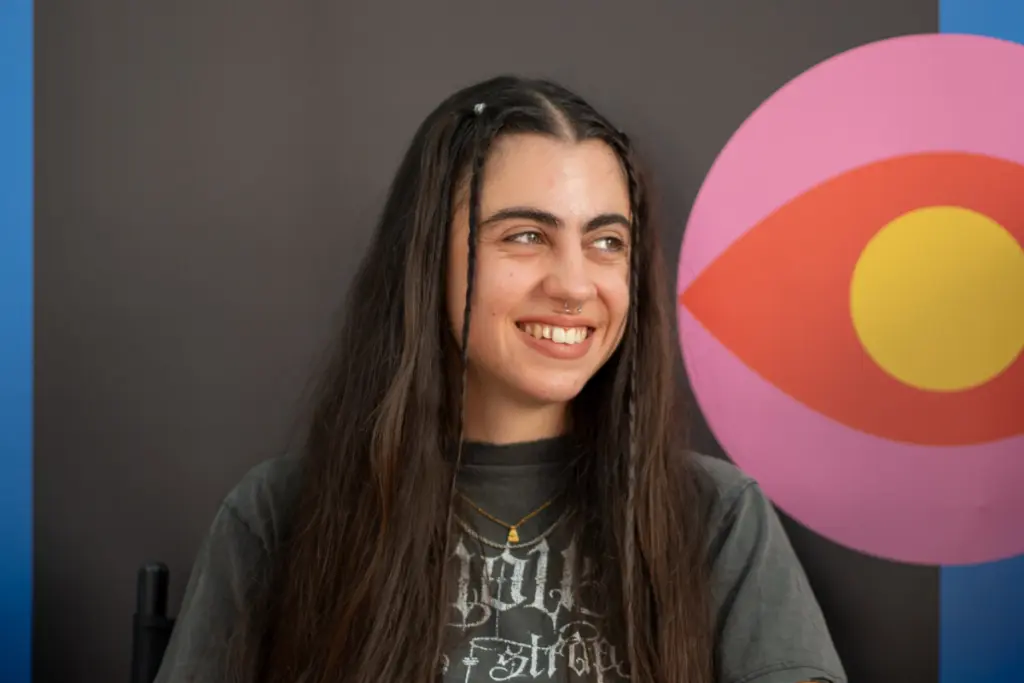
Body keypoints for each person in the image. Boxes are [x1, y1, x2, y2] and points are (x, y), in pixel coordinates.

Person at [153, 75, 846, 683]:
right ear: (428, 257)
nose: (575, 284)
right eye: (526, 236)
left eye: (607, 242)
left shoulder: (716, 517)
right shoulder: (277, 517)